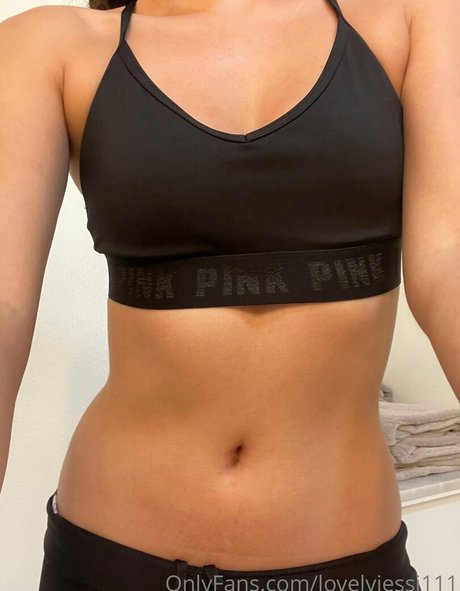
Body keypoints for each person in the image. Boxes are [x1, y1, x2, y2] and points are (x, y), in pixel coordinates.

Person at [0, 0, 459, 589]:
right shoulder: (49, 45)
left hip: (348, 564)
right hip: (109, 557)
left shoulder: (412, 19)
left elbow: (447, 262)